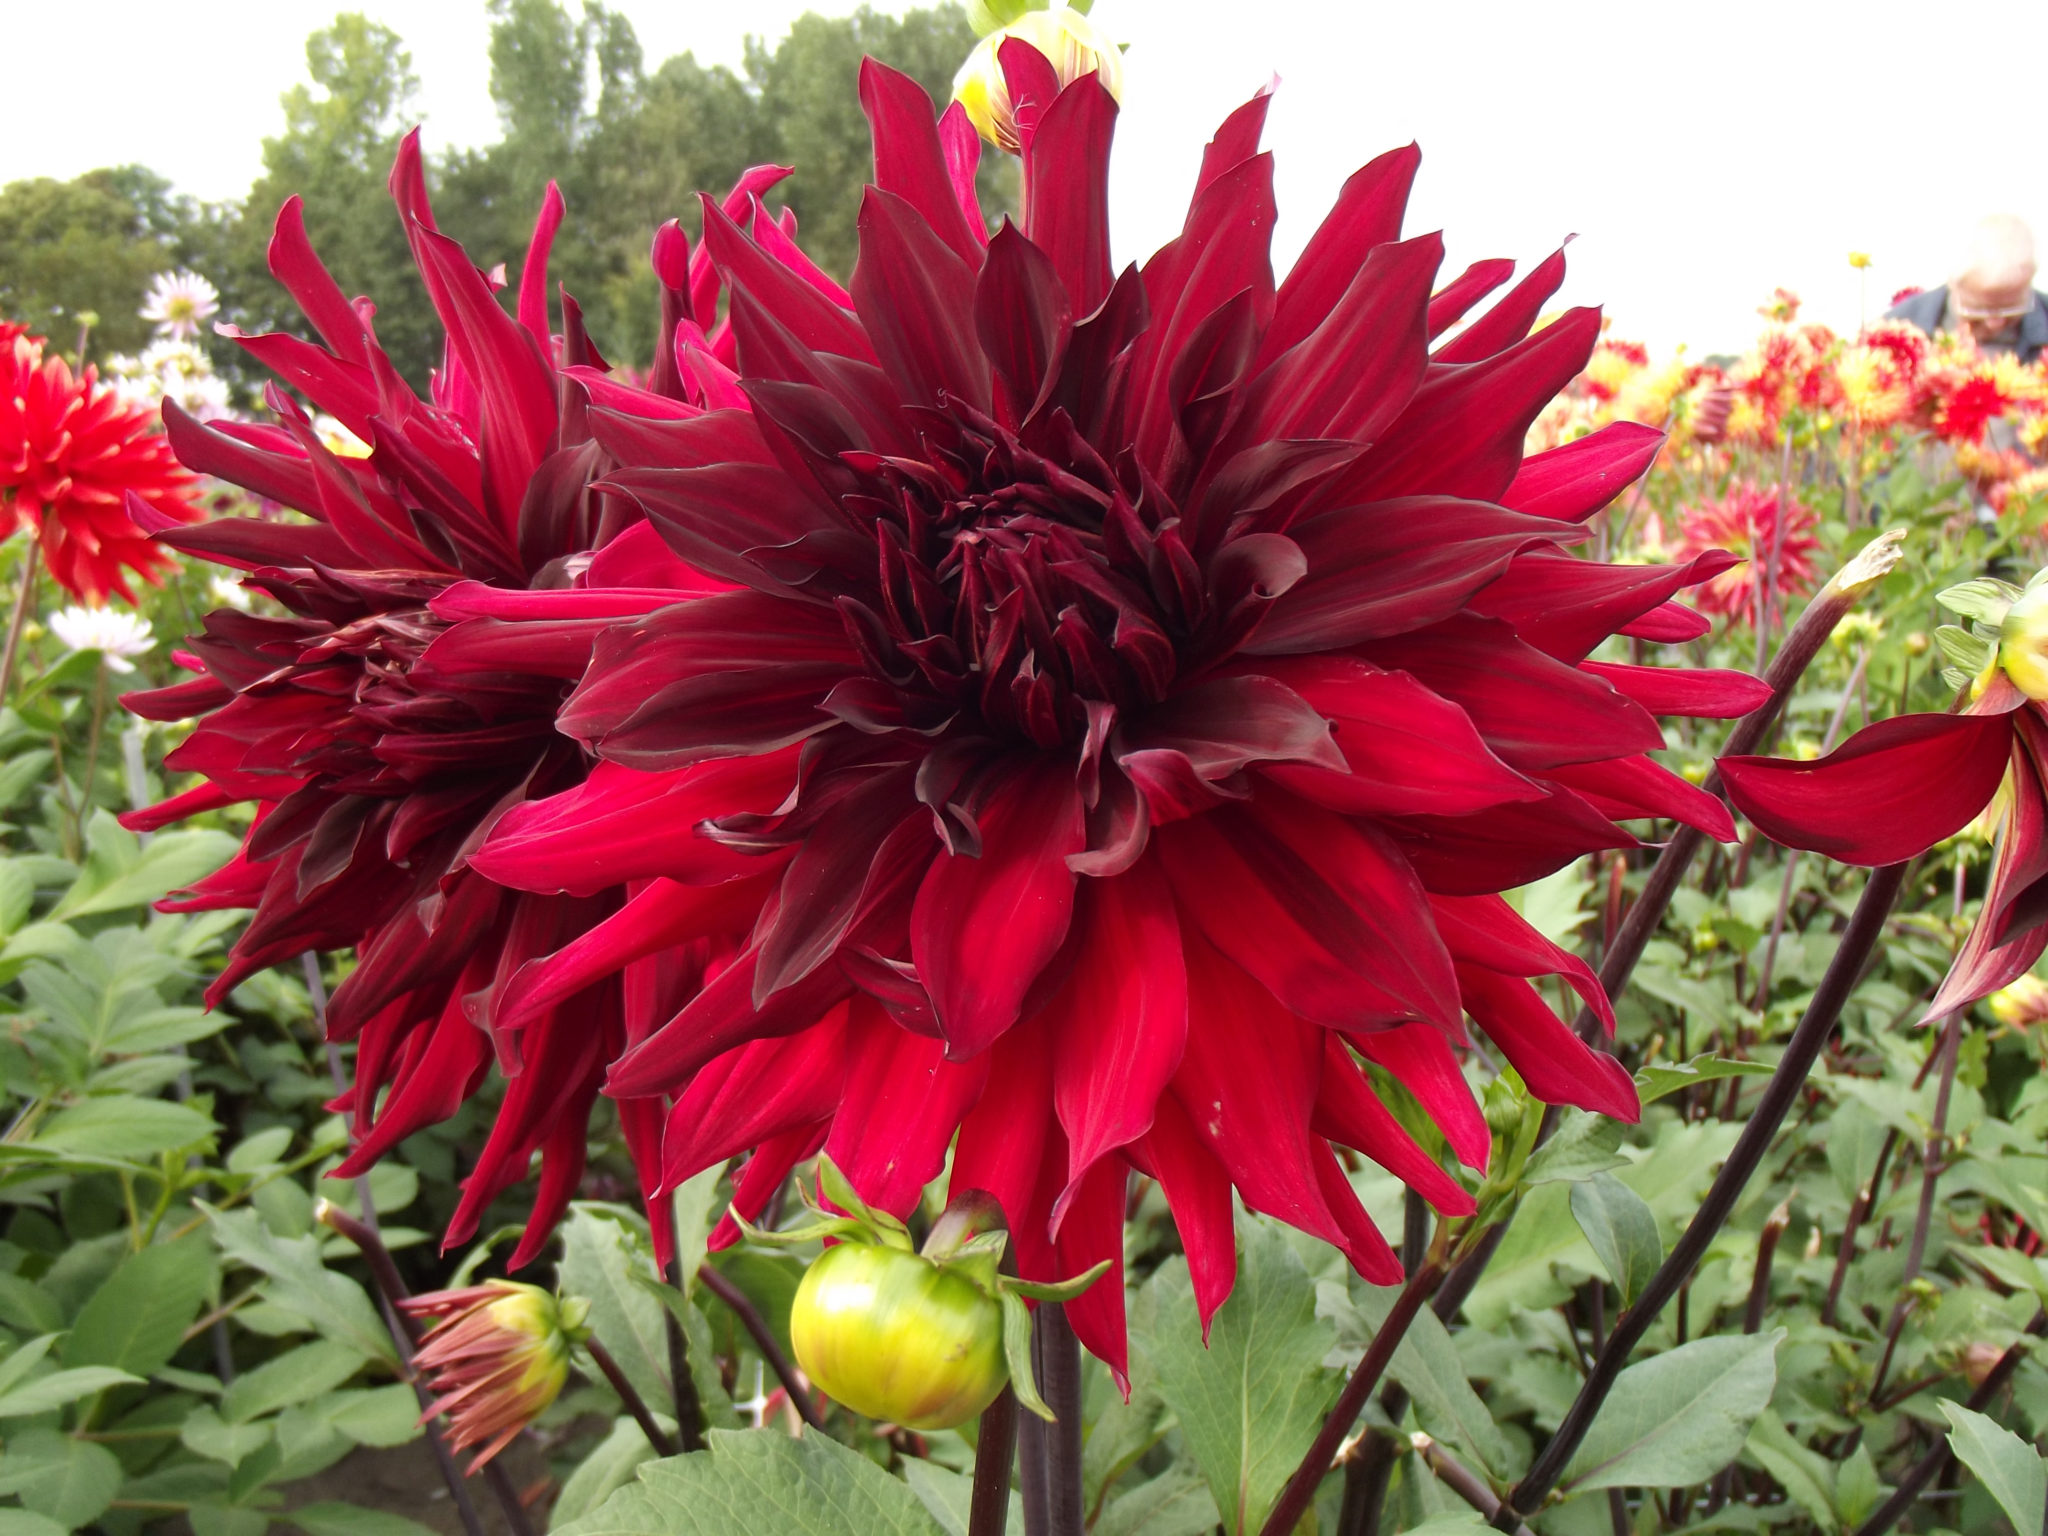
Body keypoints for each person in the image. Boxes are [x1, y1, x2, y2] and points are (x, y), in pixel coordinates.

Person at [1887, 214, 2048, 363]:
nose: (1995, 324)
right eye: (1979, 311)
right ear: (1953, 285)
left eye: (2010, 310)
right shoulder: (1893, 333)